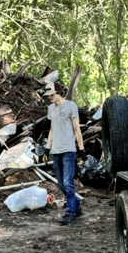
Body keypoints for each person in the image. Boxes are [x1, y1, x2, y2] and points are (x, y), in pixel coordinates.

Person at [44, 82, 87, 225]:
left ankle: (70, 213)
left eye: (51, 94)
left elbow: (77, 129)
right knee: (61, 183)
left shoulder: (71, 106)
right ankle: (76, 205)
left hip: (68, 149)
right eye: (48, 95)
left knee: (68, 183)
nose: (49, 97)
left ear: (58, 92)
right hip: (56, 150)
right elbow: (51, 130)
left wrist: (81, 150)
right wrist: (47, 149)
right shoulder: (51, 109)